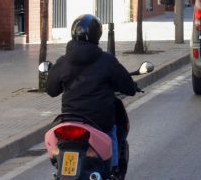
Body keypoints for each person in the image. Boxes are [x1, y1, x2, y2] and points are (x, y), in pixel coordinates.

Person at [46, 14, 138, 169]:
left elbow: (51, 90)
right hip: (99, 121)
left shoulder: (63, 61)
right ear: (97, 35)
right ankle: (113, 168)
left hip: (70, 119)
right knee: (112, 132)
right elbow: (128, 87)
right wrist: (132, 86)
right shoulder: (106, 61)